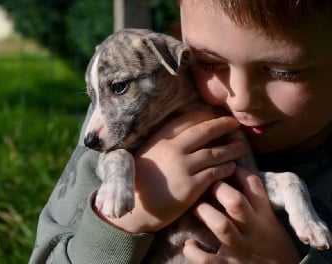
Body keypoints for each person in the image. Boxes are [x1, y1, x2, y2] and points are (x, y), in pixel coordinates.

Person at [29, 0, 332, 263]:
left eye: (284, 71)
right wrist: (127, 221)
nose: (241, 99)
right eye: (208, 63)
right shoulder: (120, 131)